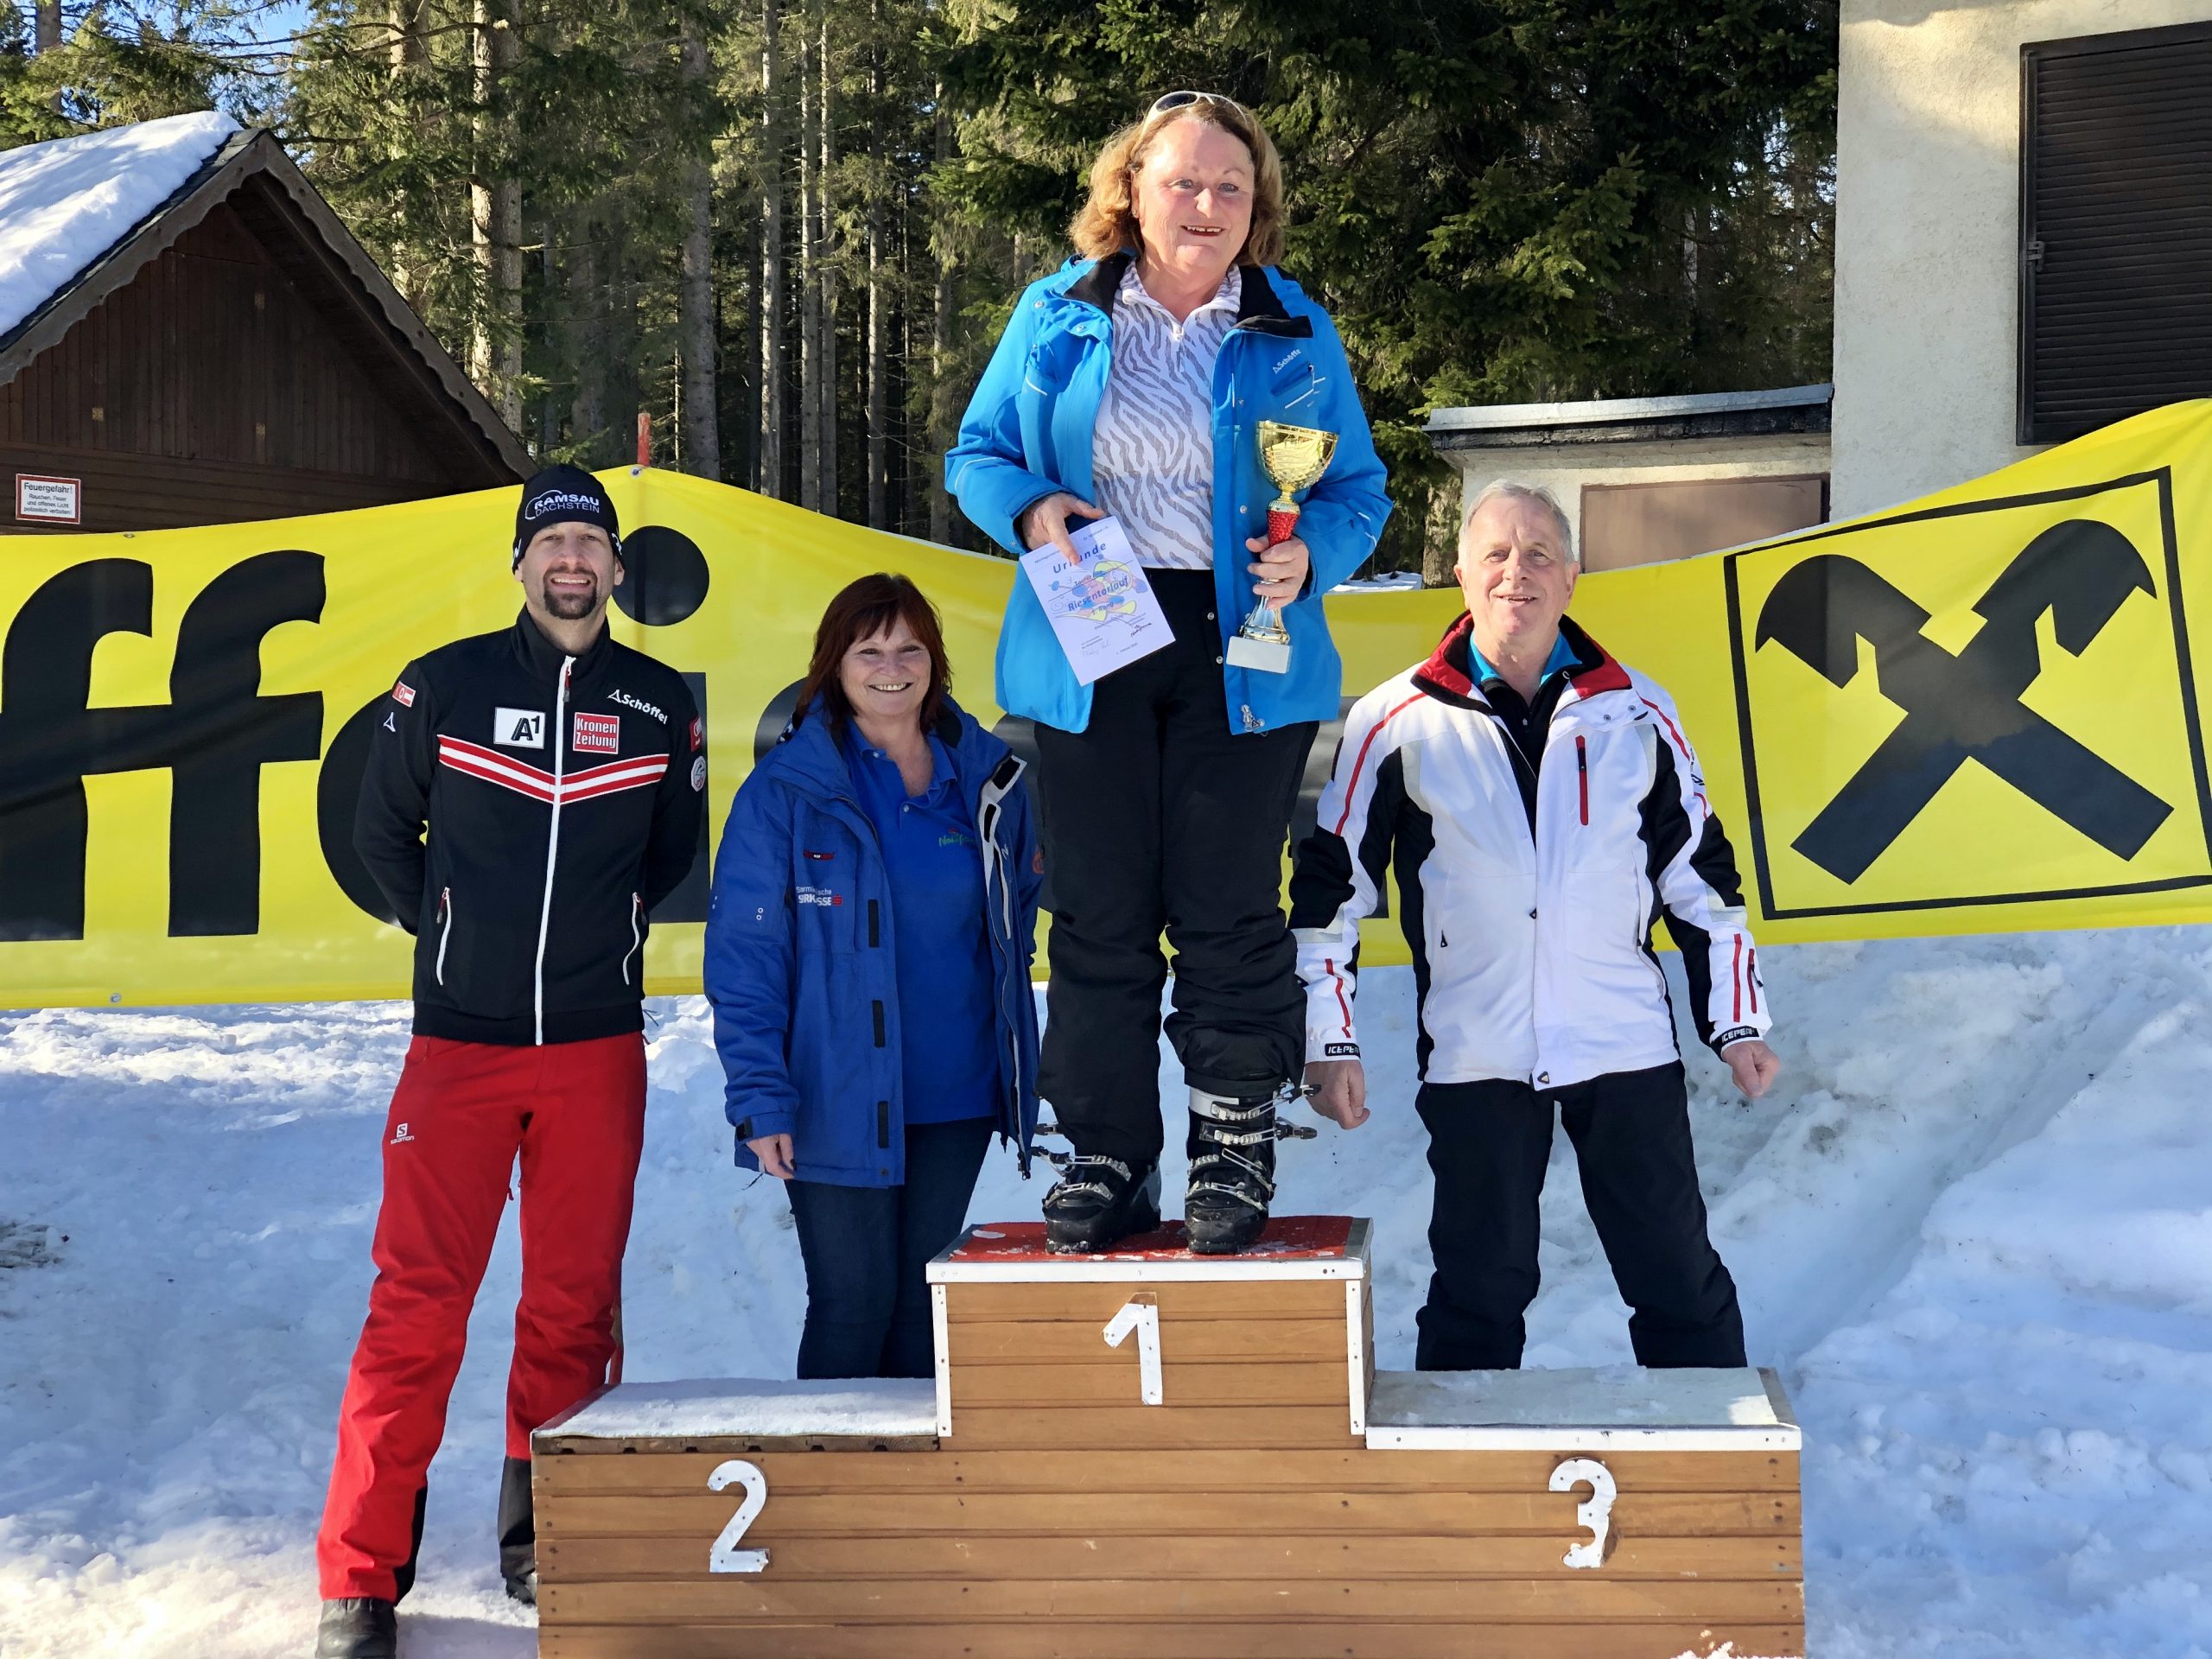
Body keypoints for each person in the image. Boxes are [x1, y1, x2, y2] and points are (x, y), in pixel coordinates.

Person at [945, 91, 1391, 1255]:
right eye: (1183, 180)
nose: (1206, 203)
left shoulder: (1295, 326)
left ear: (1257, 208)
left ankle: (1232, 1143)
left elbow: (1359, 491)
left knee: (1229, 905)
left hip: (1242, 643)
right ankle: (1106, 1151)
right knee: (1098, 910)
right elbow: (976, 454)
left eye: (1230, 186)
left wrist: (1313, 555)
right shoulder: (1054, 313)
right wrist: (1032, 509)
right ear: (1131, 191)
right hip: (1090, 628)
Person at [313, 464, 703, 1659]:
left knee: (573, 1309)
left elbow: (669, 857)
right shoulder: (446, 683)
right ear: (522, 564)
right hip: (460, 1048)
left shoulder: (657, 704)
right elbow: (381, 833)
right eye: (552, 544)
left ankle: (550, 1542)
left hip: (594, 1050)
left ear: (616, 567)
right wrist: (448, 933)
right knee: (415, 1309)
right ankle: (360, 1577)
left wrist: (598, 939)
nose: (572, 562)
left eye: (591, 543)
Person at [1290, 480, 1781, 1371]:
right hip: (1475, 1048)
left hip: (1623, 1041)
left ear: (1571, 577)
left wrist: (1736, 1021)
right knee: (1479, 1287)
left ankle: (1704, 1450)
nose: (1517, 572)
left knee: (1676, 1276)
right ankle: (1464, 1464)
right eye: (1496, 554)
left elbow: (1701, 876)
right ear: (1461, 574)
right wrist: (1330, 1041)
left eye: (1539, 554)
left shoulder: (1638, 710)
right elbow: (1330, 896)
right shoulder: (1393, 721)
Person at [705, 574, 1040, 1378]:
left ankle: (909, 1468)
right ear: (834, 664)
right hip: (833, 1095)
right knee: (853, 1303)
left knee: (924, 1306)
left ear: (935, 661)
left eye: (909, 649)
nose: (892, 668)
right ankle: (829, 1467)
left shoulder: (986, 779)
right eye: (869, 651)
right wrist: (760, 1096)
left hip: (954, 1096)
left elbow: (1014, 925)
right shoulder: (786, 792)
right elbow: (747, 958)